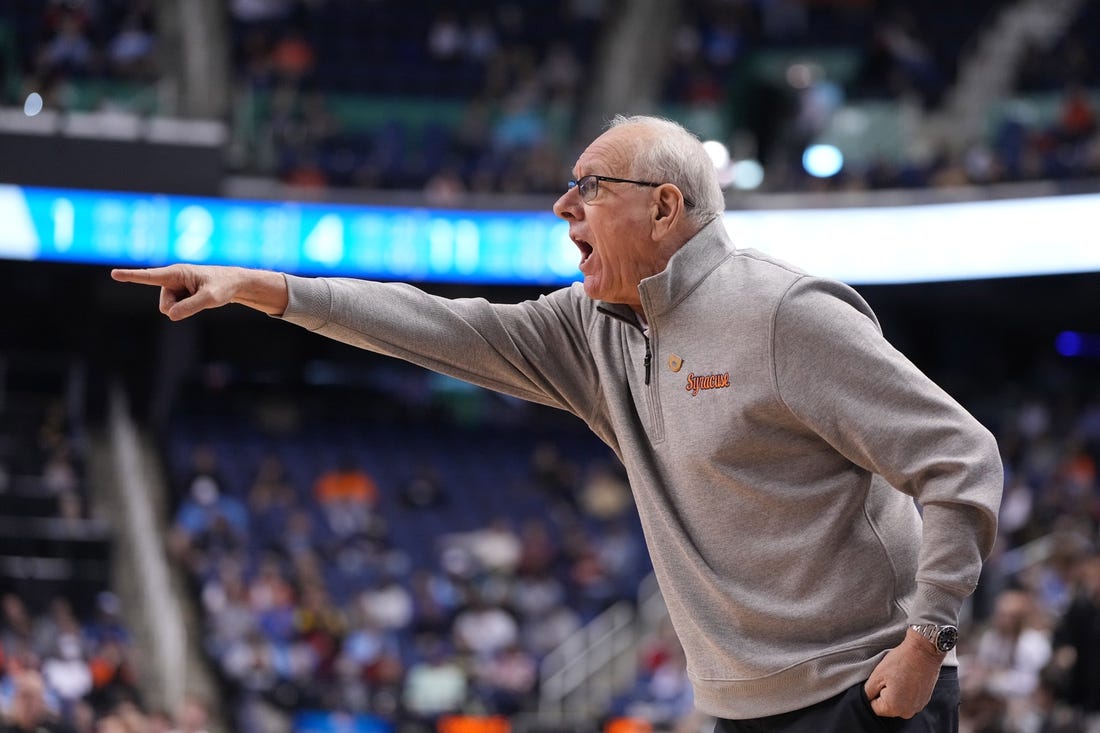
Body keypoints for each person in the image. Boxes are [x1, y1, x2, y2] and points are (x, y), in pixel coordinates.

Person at [112, 114, 1004, 731]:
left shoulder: (784, 313)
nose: (560, 208)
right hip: (741, 706)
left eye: (587, 188)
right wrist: (257, 287)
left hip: (867, 688)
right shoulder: (592, 330)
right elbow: (433, 323)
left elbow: (960, 456)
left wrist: (930, 635)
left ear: (665, 207)